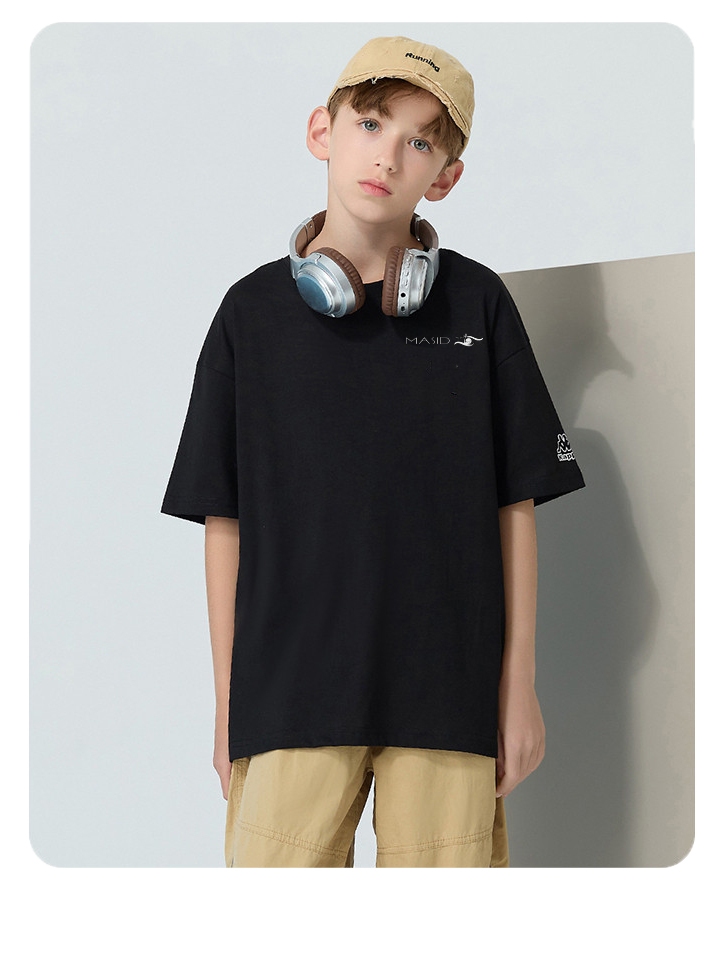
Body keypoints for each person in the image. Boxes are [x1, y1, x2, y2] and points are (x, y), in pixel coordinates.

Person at [161, 35, 585, 868]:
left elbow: (515, 506)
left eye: (419, 142)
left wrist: (518, 686)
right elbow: (224, 521)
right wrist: (228, 704)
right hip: (290, 697)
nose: (387, 157)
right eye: (370, 124)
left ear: (445, 176)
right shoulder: (249, 315)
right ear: (321, 131)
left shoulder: (478, 303)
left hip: (447, 696)